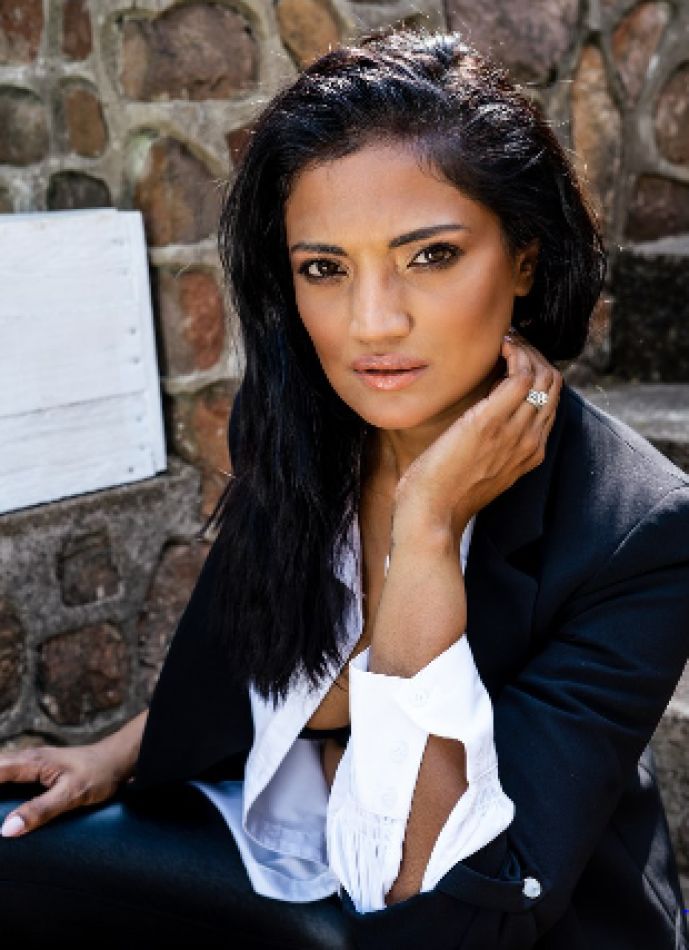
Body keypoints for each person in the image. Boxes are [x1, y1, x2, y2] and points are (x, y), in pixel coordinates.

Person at [0, 29, 687, 950]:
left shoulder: (637, 531)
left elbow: (441, 903)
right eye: (325, 268)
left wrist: (427, 530)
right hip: (296, 838)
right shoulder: (291, 423)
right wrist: (112, 755)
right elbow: (261, 664)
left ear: (524, 258)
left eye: (429, 256)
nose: (372, 324)